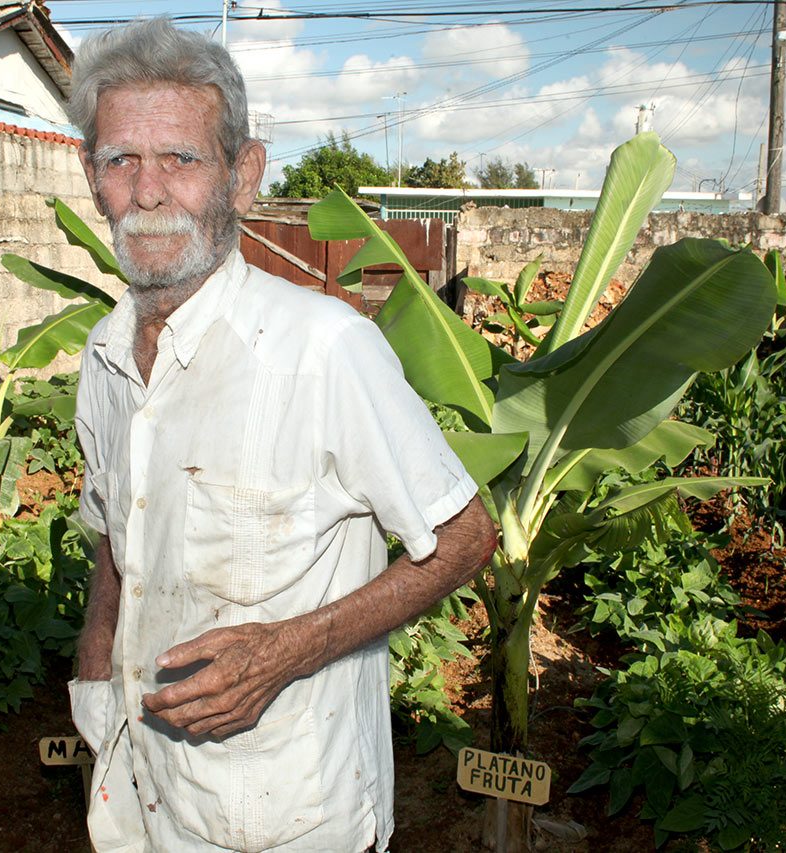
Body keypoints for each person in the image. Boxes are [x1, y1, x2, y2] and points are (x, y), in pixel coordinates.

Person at [64, 17, 496, 853]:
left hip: (285, 816)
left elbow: (464, 536)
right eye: (121, 160)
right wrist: (96, 639)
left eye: (182, 159)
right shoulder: (105, 355)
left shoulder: (322, 348)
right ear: (92, 177)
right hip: (142, 802)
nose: (148, 192)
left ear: (243, 176)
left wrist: (290, 649)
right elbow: (121, 524)